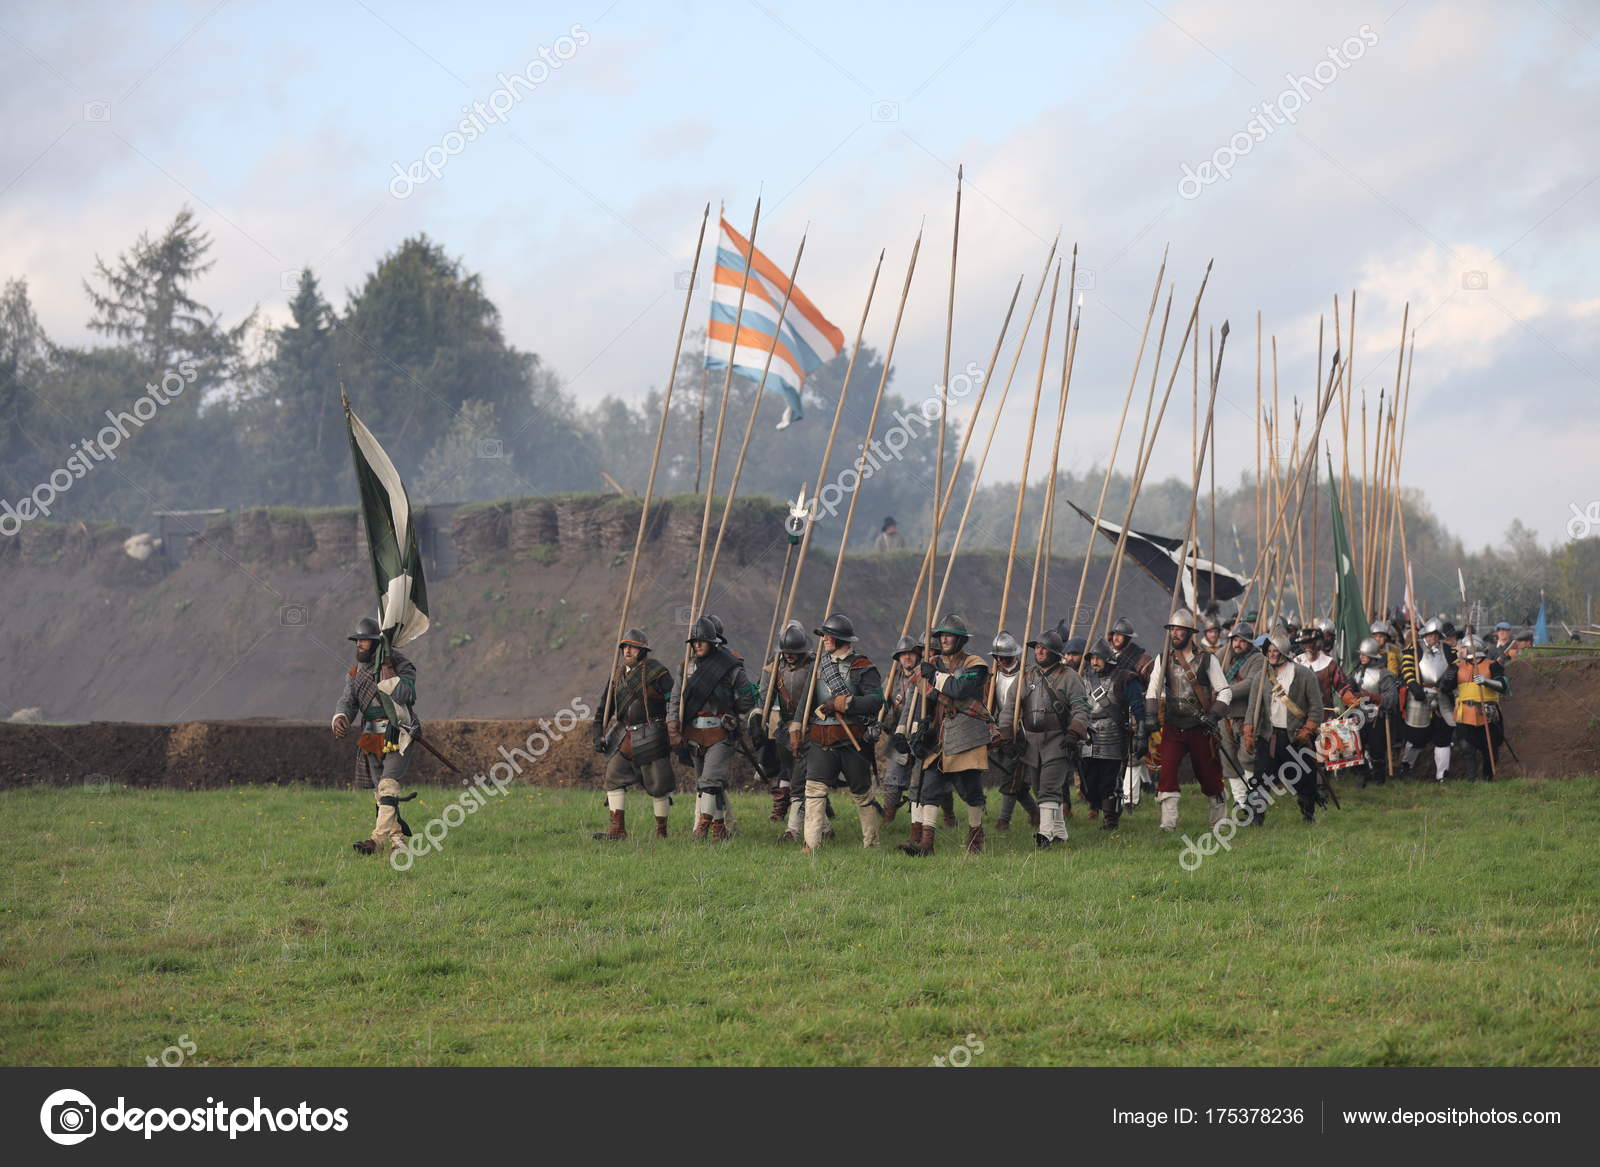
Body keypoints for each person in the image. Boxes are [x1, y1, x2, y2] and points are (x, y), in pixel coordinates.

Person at [789, 613, 885, 853]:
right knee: (813, 791)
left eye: (828, 636)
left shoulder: (863, 666)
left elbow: (876, 701)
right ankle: (811, 844)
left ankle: (871, 845)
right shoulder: (818, 665)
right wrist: (797, 727)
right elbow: (806, 702)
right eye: (824, 636)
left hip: (852, 741)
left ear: (841, 638)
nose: (824, 640)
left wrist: (843, 703)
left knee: (862, 796)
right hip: (820, 740)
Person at [901, 614, 990, 857]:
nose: (944, 639)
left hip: (966, 738)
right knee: (929, 789)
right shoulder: (932, 663)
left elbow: (959, 690)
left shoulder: (976, 664)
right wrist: (917, 726)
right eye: (941, 635)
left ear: (961, 639)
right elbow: (922, 700)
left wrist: (935, 675)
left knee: (971, 792)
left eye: (949, 635)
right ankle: (926, 844)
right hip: (939, 739)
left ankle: (975, 835)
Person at [335, 616, 420, 857]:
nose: (359, 645)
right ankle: (398, 842)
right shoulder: (355, 673)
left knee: (388, 785)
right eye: (358, 641)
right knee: (382, 795)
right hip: (370, 737)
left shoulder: (402, 665)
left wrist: (390, 673)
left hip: (399, 733)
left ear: (377, 643)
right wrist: (340, 716)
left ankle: (376, 841)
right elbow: (348, 702)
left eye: (364, 641)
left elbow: (406, 696)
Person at [1142, 608, 1233, 833]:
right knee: (1167, 773)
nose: (1174, 634)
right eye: (1172, 629)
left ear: (1189, 633)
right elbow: (1152, 690)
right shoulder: (1163, 658)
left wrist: (1213, 715)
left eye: (1179, 630)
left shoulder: (1207, 660)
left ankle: (1219, 822)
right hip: (1173, 726)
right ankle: (1168, 823)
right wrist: (1151, 715)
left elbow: (1225, 692)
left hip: (1201, 727)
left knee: (1210, 775)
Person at [669, 615, 758, 840]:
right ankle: (720, 829)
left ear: (713, 642)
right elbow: (675, 699)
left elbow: (747, 697)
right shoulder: (685, 668)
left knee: (710, 781)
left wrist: (733, 711)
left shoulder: (729, 667)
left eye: (702, 641)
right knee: (707, 784)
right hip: (694, 733)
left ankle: (703, 827)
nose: (697, 644)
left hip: (720, 732)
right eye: (694, 641)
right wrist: (673, 726)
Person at [592, 627, 675, 840]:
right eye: (625, 647)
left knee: (659, 786)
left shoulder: (658, 672)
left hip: (652, 735)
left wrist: (673, 725)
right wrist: (598, 733)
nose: (628, 651)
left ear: (643, 651)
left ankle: (661, 833)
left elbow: (673, 701)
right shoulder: (617, 675)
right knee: (613, 777)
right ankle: (617, 830)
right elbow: (604, 707)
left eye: (633, 648)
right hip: (624, 736)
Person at [755, 621, 833, 842]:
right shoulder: (774, 668)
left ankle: (793, 830)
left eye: (793, 652)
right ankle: (825, 828)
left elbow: (825, 695)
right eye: (786, 652)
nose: (789, 655)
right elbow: (764, 697)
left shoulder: (816, 665)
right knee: (795, 775)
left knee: (802, 779)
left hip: (812, 728)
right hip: (785, 731)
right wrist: (758, 719)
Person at [1240, 630, 1324, 825]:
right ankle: (1256, 819)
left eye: (1276, 651)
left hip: (1296, 737)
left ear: (1285, 652)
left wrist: (1308, 729)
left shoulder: (1304, 675)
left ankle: (1308, 815)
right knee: (1261, 779)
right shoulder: (1262, 677)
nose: (1272, 654)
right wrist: (1248, 731)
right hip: (1269, 737)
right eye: (1269, 651)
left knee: (1305, 781)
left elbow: (1316, 708)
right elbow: (1253, 707)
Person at [1019, 628, 1091, 848]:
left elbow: (1081, 707)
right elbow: (1012, 707)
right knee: (1038, 786)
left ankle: (1045, 835)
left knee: (1049, 787)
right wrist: (1006, 731)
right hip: (1031, 741)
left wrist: (1074, 732)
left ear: (1055, 652)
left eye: (1044, 648)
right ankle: (1060, 832)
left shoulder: (1070, 677)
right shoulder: (1026, 675)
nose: (1040, 651)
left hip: (1058, 740)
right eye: (1037, 647)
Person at [1081, 639, 1146, 830]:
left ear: (1108, 659)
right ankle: (1097, 805)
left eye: (1098, 658)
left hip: (1113, 735)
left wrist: (1140, 731)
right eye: (1092, 658)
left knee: (1110, 782)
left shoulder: (1125, 678)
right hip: (1088, 736)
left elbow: (1137, 707)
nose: (1094, 662)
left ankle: (1111, 820)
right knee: (1090, 784)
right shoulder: (1085, 678)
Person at [988, 632, 1039, 833]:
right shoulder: (993, 676)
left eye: (1005, 658)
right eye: (997, 657)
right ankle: (1034, 812)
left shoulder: (1027, 674)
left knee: (1012, 777)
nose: (1001, 661)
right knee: (1011, 777)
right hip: (1001, 731)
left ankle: (1003, 820)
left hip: (1022, 733)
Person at [1398, 617, 1456, 781]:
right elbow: (1407, 668)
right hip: (1420, 696)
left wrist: (1450, 680)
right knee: (1416, 735)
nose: (1433, 638)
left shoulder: (1448, 649)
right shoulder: (1415, 648)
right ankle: (1406, 766)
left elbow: (1455, 666)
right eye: (1431, 635)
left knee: (1443, 736)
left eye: (1436, 635)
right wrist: (1413, 684)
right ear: (1425, 634)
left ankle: (1442, 774)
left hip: (1442, 696)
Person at [877, 634, 926, 829]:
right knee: (892, 781)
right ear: (898, 658)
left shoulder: (925, 675)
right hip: (898, 736)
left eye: (911, 654)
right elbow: (881, 705)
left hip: (919, 734)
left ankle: (946, 816)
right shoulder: (891, 680)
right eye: (903, 654)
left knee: (923, 781)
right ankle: (888, 820)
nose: (907, 658)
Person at [1217, 622, 1263, 810]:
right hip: (1224, 716)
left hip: (1246, 715)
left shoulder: (1258, 659)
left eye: (1242, 641)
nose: (1237, 644)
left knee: (1247, 757)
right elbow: (1211, 666)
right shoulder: (1225, 654)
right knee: (1228, 759)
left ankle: (1253, 798)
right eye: (1235, 640)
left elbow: (1251, 684)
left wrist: (1223, 692)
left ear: (1250, 642)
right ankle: (1240, 800)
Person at [1450, 635, 1508, 780]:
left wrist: (1486, 681)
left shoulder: (1492, 665)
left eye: (1463, 647)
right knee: (1466, 747)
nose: (1460, 650)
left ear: (1471, 648)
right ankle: (1471, 779)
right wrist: (1447, 679)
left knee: (1490, 748)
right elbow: (1445, 688)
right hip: (1465, 712)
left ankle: (1488, 778)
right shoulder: (1457, 667)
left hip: (1488, 712)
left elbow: (1504, 686)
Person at [1346, 637, 1400, 786]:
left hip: (1377, 717)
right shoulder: (1357, 672)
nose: (1361, 656)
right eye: (1361, 654)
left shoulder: (1384, 674)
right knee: (1357, 748)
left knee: (1376, 750)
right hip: (1358, 717)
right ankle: (1363, 774)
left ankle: (1379, 778)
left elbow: (1392, 698)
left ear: (1372, 656)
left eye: (1364, 654)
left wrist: (1372, 697)